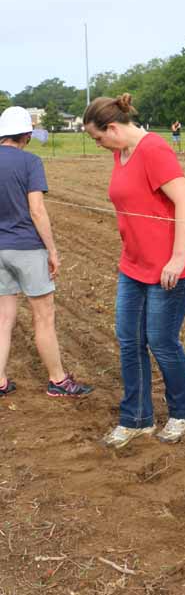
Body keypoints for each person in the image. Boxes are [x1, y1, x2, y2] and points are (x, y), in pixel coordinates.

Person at [83, 95, 185, 450]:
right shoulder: (119, 152)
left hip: (172, 267)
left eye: (98, 137)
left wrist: (177, 258)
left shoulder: (154, 150)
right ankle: (136, 419)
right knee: (129, 341)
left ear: (113, 127)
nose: (99, 145)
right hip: (134, 265)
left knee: (161, 341)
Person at [0, 106, 93, 399]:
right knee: (44, 316)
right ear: (26, 134)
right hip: (27, 248)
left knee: (3, 318)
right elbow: (37, 210)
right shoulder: (30, 162)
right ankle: (58, 380)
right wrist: (52, 250)